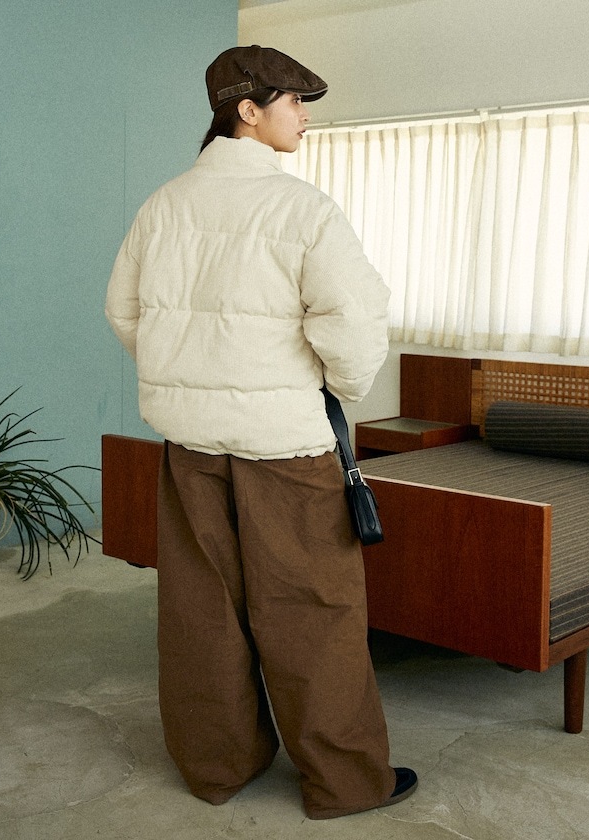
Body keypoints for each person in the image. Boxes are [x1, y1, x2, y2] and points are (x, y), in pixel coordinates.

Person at [105, 44, 417, 820]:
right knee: (314, 612)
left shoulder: (163, 205)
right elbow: (353, 324)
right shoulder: (302, 210)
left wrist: (189, 375)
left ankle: (217, 768)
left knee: (201, 611)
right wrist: (341, 389)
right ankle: (345, 782)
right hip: (286, 446)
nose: (305, 116)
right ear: (248, 110)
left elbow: (124, 312)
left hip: (190, 443)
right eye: (294, 101)